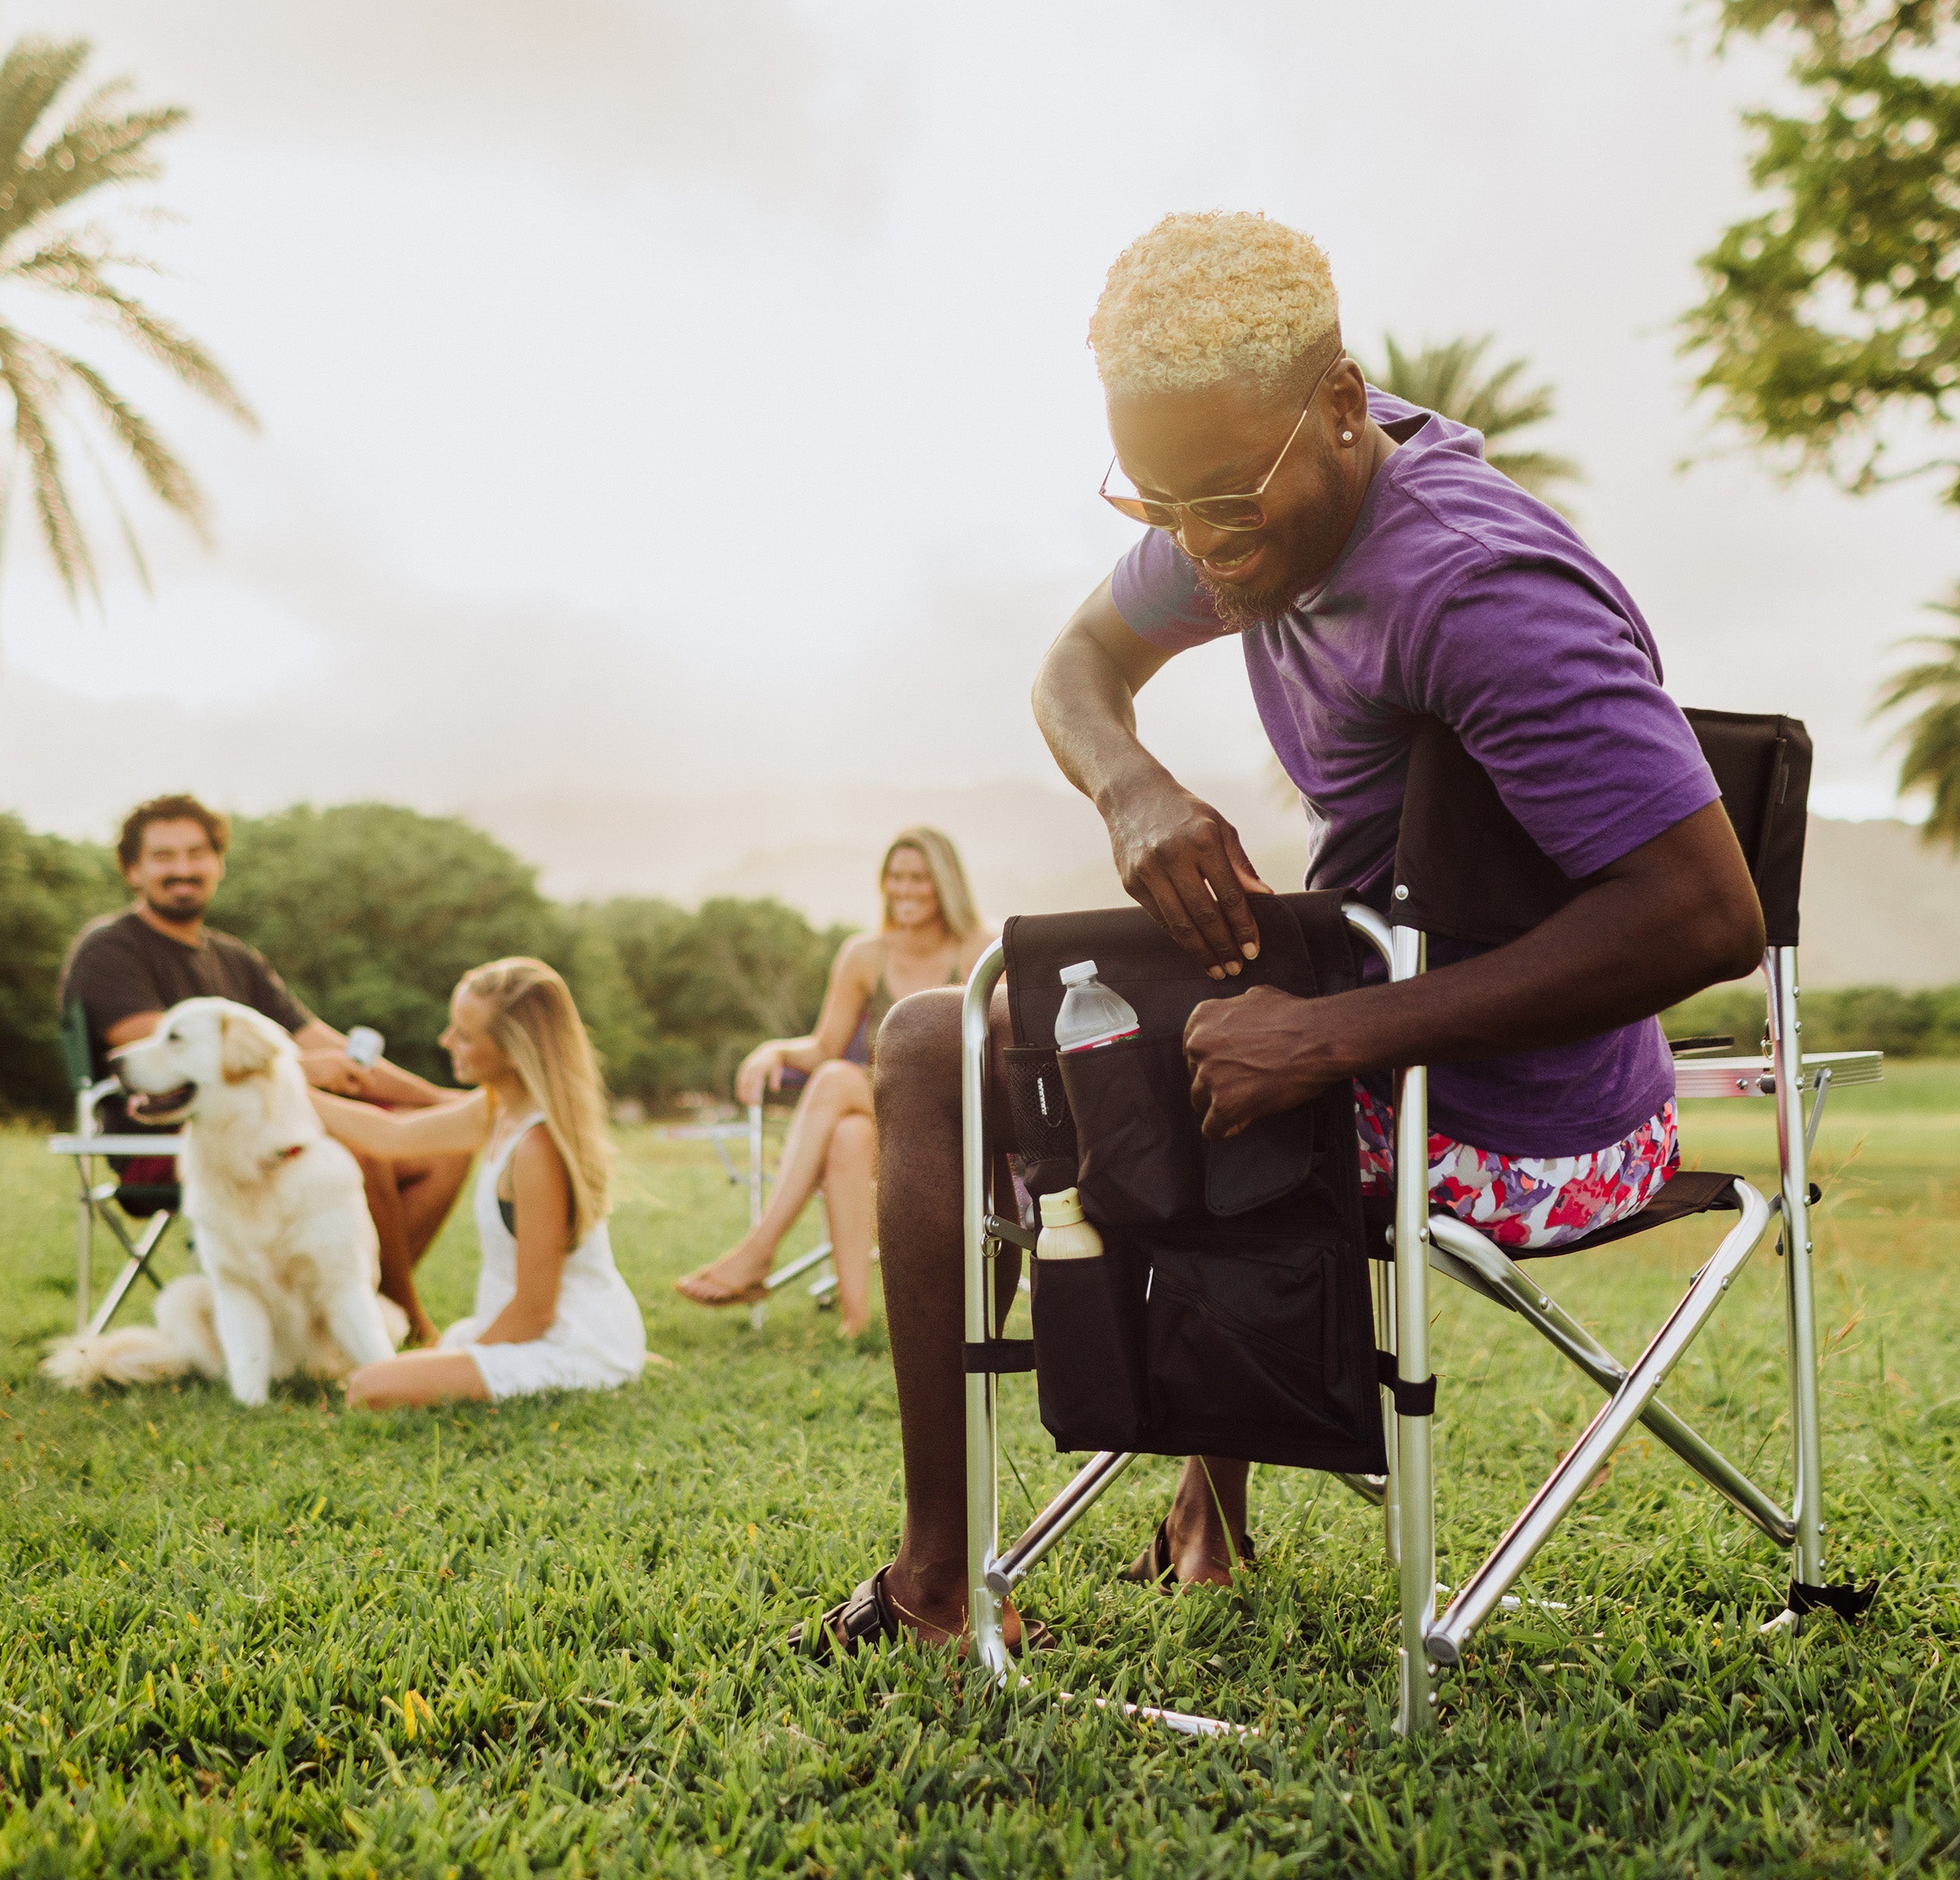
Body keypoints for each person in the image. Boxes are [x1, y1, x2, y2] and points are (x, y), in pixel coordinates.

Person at [800, 213, 1767, 1653]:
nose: (1196, 547)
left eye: (1221, 502)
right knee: (1213, 981)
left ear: (1338, 408)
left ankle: (941, 1584)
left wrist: (1337, 1036)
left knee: (941, 1045)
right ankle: (1202, 1505)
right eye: (1156, 505)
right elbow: (1075, 667)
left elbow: (1708, 913)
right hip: (1370, 1025)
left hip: (1538, 1130)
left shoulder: (1479, 590)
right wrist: (1133, 792)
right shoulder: (1249, 486)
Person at [60, 795, 471, 1344]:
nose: (182, 868)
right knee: (356, 1148)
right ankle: (409, 1328)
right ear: (133, 869)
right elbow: (165, 1056)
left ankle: (353, 1313)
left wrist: (443, 1102)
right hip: (172, 1141)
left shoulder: (237, 960)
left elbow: (334, 1048)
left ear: (218, 862)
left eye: (196, 853)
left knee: (443, 1149)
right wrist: (302, 1068)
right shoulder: (110, 950)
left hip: (269, 1132)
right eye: (163, 856)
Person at [673, 828, 991, 1339]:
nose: (904, 889)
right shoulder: (865, 956)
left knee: (838, 1079)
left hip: (957, 1111)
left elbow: (996, 1045)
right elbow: (824, 1045)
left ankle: (758, 1252)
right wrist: (773, 1049)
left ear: (945, 883)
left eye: (919, 877)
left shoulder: (978, 948)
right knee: (848, 1135)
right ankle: (857, 1322)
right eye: (895, 877)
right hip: (885, 1115)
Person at [311, 956, 648, 1409]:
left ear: (514, 1049)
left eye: (465, 1036)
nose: (446, 1041)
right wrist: (289, 1083)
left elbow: (534, 1312)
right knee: (398, 1370)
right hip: (522, 1330)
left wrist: (467, 1361)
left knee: (367, 1388)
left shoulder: (537, 1149)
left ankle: (611, 1363)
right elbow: (392, 1137)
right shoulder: (496, 1109)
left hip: (561, 1341)